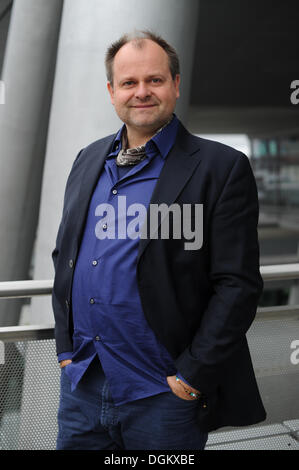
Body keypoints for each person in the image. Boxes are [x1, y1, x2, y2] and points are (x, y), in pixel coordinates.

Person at [52, 30, 266, 451]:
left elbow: (238, 284)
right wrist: (64, 348)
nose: (142, 92)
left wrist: (190, 378)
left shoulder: (220, 168)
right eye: (129, 83)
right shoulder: (88, 158)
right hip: (83, 382)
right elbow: (66, 256)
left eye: (155, 80)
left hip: (162, 395)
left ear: (176, 85)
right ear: (112, 92)